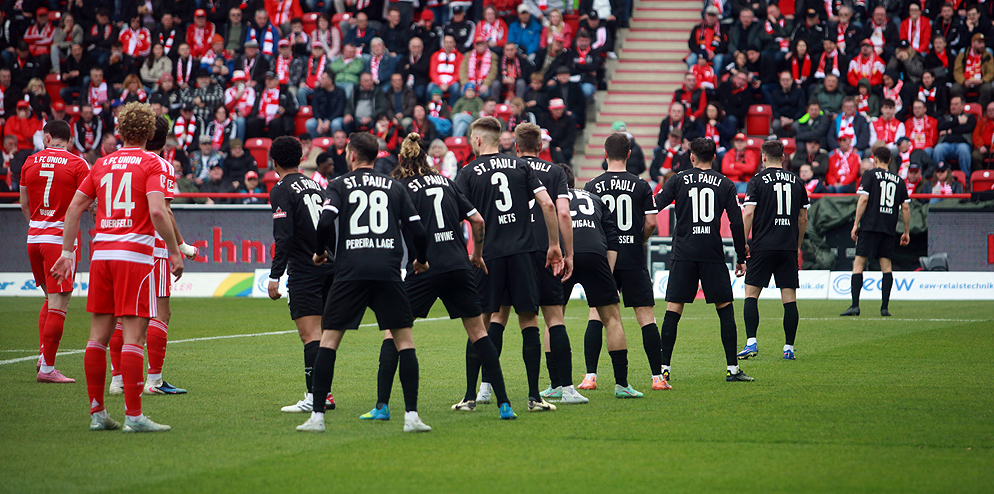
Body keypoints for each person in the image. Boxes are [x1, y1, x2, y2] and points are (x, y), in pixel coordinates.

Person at [349, 133, 518, 420]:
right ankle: (505, 405)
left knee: (394, 332)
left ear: (401, 159)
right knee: (479, 333)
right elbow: (477, 219)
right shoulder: (446, 182)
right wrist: (477, 254)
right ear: (426, 157)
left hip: (423, 268)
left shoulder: (400, 187)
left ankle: (382, 407)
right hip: (458, 266)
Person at [51, 101, 183, 433]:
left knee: (97, 337)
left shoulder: (102, 163)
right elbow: (158, 211)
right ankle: (134, 417)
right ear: (149, 131)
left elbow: (74, 208)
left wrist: (66, 252)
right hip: (134, 257)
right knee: (133, 337)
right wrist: (174, 250)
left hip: (102, 256)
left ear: (121, 130)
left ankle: (98, 413)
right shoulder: (152, 163)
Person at [299, 132, 432, 434]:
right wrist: (421, 259)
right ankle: (411, 416)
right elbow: (419, 230)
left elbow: (325, 221)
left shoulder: (339, 184)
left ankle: (317, 417)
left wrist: (320, 252)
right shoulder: (395, 186)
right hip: (387, 270)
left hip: (351, 271)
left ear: (352, 155)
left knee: (329, 341)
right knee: (405, 342)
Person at [456, 116, 563, 412]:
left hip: (488, 257)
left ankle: (470, 396)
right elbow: (548, 204)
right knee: (528, 321)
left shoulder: (468, 172)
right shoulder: (521, 166)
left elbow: (456, 215)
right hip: (523, 254)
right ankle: (534, 397)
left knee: (480, 324)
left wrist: (467, 252)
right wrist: (554, 245)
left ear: (478, 140)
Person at [499, 123, 585, 404]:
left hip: (512, 251)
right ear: (541, 146)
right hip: (546, 251)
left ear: (516, 146)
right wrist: (566, 252)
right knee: (554, 318)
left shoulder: (506, 169)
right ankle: (568, 389)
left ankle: (486, 388)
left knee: (499, 317)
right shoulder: (555, 171)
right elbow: (563, 213)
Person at [654, 137, 752, 384]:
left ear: (691, 157)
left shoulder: (678, 179)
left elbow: (655, 206)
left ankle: (663, 369)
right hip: (711, 252)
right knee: (725, 308)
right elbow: (736, 221)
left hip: (684, 252)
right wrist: (741, 255)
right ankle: (732, 369)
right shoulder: (725, 183)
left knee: (673, 309)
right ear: (714, 158)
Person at [582, 133, 664, 390]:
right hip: (632, 257)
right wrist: (638, 240)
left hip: (604, 259)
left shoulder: (592, 185)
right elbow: (651, 222)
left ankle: (590, 377)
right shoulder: (641, 185)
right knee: (646, 317)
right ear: (629, 154)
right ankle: (657, 378)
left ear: (605, 154)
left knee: (596, 315)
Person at [265, 136, 337, 415]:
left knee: (311, 336)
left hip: (305, 270)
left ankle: (315, 397)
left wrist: (275, 276)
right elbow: (330, 224)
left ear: (274, 162)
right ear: (300, 159)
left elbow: (283, 236)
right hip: (329, 265)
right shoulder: (316, 185)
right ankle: (325, 394)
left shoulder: (281, 189)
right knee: (324, 335)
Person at [19, 120, 90, 383]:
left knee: (50, 299)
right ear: (69, 140)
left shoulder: (29, 162)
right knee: (60, 303)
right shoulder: (78, 164)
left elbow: (24, 204)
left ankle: (43, 355)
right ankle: (48, 369)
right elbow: (87, 203)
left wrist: (38, 227)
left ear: (47, 137)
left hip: (34, 238)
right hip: (59, 241)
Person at [141, 116, 199, 395]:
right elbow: (163, 210)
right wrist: (181, 248)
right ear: (164, 141)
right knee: (160, 314)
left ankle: (117, 380)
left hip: (118, 246)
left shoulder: (115, 160)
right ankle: (154, 380)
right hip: (152, 246)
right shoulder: (160, 164)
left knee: (123, 315)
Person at [737, 139, 809, 361]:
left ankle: (751, 342)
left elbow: (748, 213)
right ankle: (789, 348)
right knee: (789, 298)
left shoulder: (757, 181)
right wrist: (797, 245)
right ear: (784, 157)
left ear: (763, 157)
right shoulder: (797, 182)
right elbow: (803, 218)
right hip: (788, 246)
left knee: (751, 295)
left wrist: (742, 244)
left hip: (763, 245)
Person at [841, 146, 911, 317]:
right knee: (886, 266)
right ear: (889, 160)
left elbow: (864, 199)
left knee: (859, 263)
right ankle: (884, 308)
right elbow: (905, 208)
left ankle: (855, 306)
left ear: (875, 159)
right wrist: (906, 231)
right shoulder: (899, 180)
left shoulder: (870, 174)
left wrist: (856, 223)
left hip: (870, 226)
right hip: (888, 228)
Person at [934, 96, 976, 175]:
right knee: (938, 149)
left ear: (962, 106)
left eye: (956, 104)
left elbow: (967, 128)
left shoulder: (969, 117)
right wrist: (958, 122)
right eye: (952, 104)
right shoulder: (945, 117)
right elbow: (940, 126)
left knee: (963, 150)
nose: (953, 107)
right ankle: (939, 176)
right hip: (946, 144)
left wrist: (949, 131)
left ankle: (966, 178)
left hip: (962, 144)